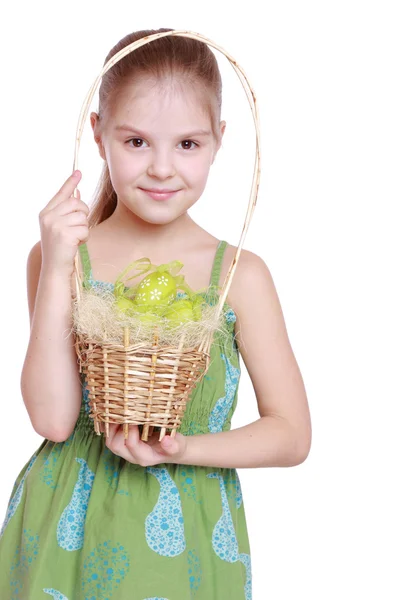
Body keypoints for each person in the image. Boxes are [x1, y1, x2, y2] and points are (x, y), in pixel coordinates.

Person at [0, 28, 311, 600]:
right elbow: (53, 421)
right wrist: (56, 269)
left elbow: (291, 434)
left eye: (188, 145)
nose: (162, 168)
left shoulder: (238, 276)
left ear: (219, 140)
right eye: (137, 142)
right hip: (63, 523)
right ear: (98, 135)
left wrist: (185, 448)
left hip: (189, 536)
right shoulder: (59, 257)